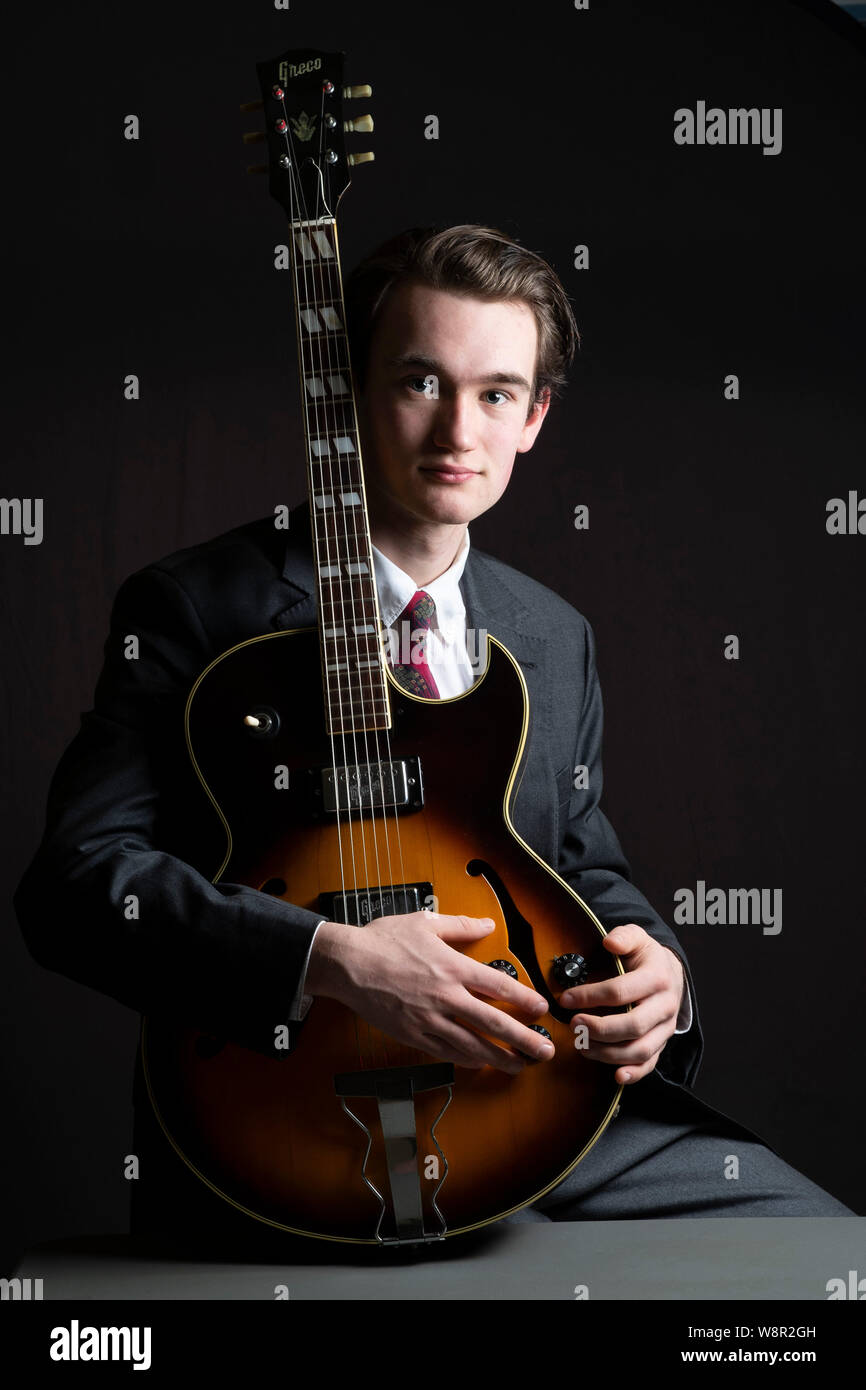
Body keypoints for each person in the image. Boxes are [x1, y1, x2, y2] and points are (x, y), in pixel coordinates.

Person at [13, 225, 854, 1252]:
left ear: (533, 415)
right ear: (352, 395)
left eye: (497, 391)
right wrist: (330, 958)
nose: (459, 428)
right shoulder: (191, 608)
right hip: (278, 1128)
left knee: (818, 1256)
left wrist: (659, 976)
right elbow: (74, 887)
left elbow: (577, 860)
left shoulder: (551, 636)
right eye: (420, 381)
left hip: (536, 1104)